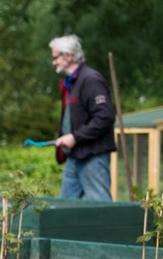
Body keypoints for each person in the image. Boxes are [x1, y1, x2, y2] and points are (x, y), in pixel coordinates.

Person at [50, 34, 116, 201]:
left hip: (93, 155)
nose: (54, 62)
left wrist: (75, 137)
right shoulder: (71, 82)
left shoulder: (91, 79)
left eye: (55, 57)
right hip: (74, 156)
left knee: (100, 205)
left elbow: (105, 117)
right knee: (65, 206)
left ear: (69, 56)